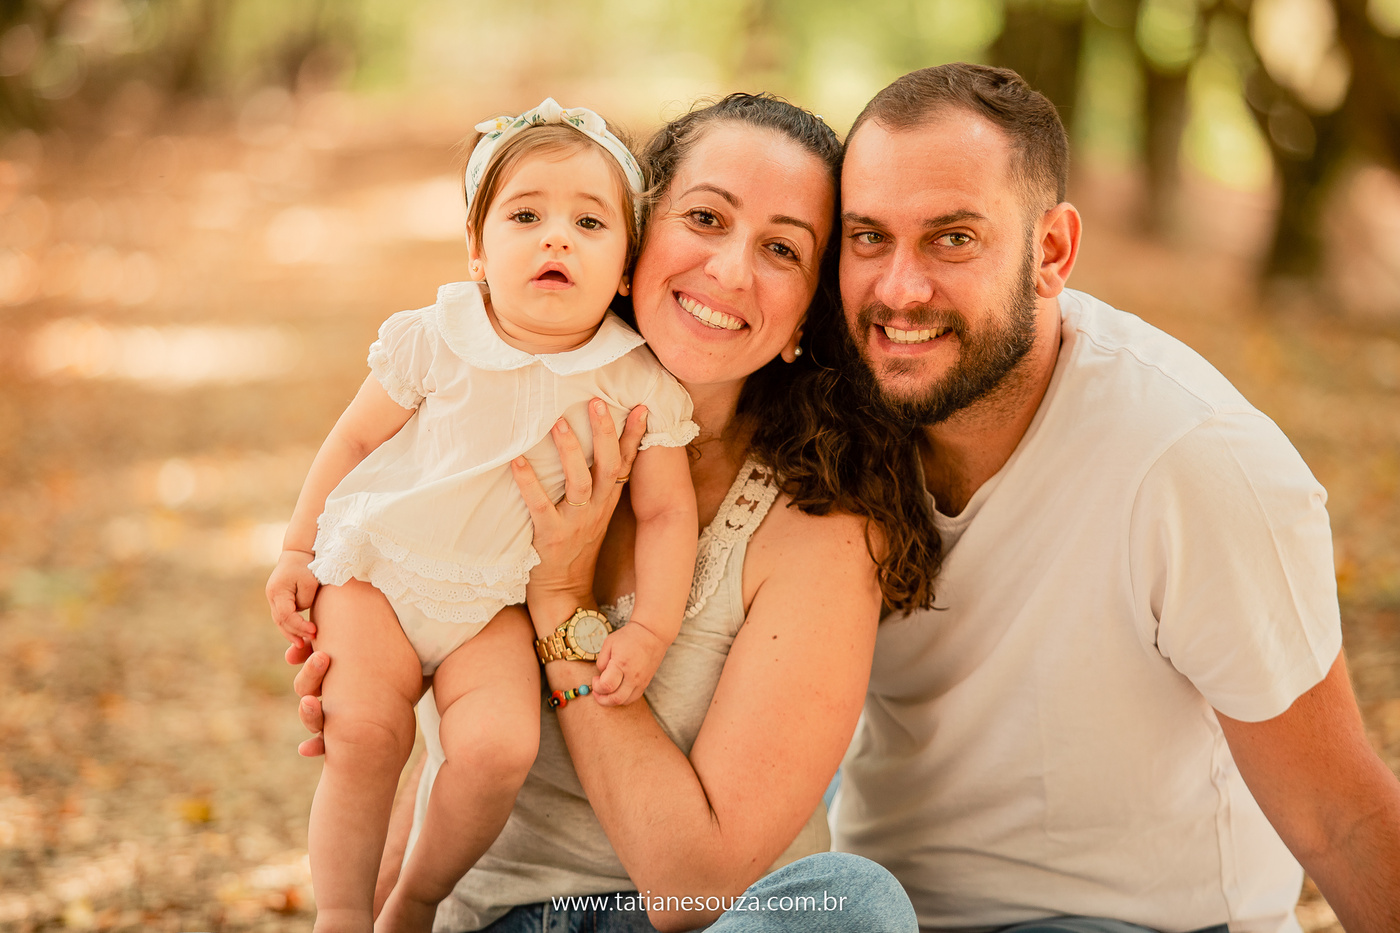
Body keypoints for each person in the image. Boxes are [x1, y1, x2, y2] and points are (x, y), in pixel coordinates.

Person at [288, 92, 935, 932]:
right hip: (496, 916)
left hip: (699, 921)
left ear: (804, 323)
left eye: (781, 248)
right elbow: (443, 752)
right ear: (637, 236)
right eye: (705, 217)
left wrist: (563, 609)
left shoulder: (819, 526)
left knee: (852, 904)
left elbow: (693, 882)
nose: (730, 270)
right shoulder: (502, 425)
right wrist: (372, 691)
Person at [832, 63, 1400, 933]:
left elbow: (1342, 817)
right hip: (881, 908)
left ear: (1052, 252)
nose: (899, 289)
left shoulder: (1193, 460)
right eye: (869, 237)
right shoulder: (829, 419)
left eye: (953, 238)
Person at [265, 98, 703, 933]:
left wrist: (650, 628)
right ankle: (343, 913)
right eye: (526, 216)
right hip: (380, 573)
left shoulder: (635, 378)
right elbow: (354, 437)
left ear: (625, 267)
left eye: (589, 221)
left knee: (501, 748)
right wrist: (296, 547)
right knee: (365, 734)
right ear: (477, 249)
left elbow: (665, 514)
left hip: (496, 603)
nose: (555, 238)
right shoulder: (438, 335)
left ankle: (417, 897)